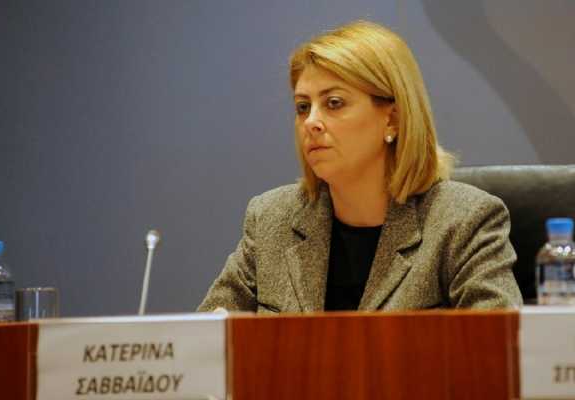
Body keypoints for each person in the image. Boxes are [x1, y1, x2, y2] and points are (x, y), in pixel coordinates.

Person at [198, 20, 523, 313]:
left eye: (334, 103)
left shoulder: (462, 221)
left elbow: (499, 348)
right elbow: (202, 342)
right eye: (303, 107)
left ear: (392, 119)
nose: (311, 122)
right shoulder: (271, 219)